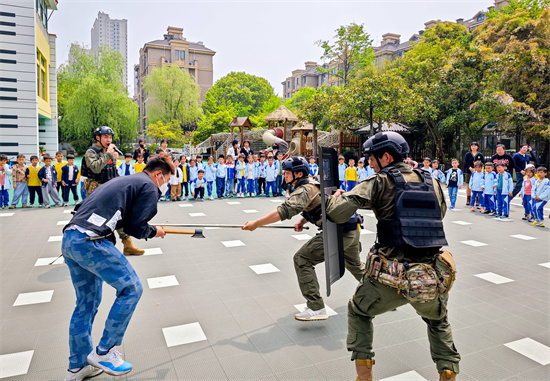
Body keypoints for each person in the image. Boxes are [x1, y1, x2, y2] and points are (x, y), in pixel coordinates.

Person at [325, 131, 460, 381]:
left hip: (387, 279)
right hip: (428, 278)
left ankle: (364, 377)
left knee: (359, 311)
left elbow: (337, 213)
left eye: (372, 159)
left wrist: (334, 199)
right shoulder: (432, 181)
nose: (370, 163)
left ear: (386, 156)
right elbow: (439, 214)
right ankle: (448, 372)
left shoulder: (379, 181)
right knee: (438, 320)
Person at [61, 157, 171, 381]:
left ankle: (77, 367)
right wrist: (153, 231)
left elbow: (120, 219)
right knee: (132, 288)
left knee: (85, 304)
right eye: (167, 178)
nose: (166, 184)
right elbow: (135, 226)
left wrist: (147, 228)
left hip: (70, 239)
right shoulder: (149, 186)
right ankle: (105, 351)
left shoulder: (126, 181)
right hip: (91, 241)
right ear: (159, 174)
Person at [243, 156, 364, 321]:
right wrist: (303, 219)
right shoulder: (312, 183)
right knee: (355, 265)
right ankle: (382, 293)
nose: (284, 175)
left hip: (339, 232)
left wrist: (256, 223)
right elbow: (321, 204)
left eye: (287, 172)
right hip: (351, 228)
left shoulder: (303, 189)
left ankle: (316, 307)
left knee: (302, 259)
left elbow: (284, 211)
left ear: (298, 173)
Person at [81, 126, 144, 256]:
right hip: (96, 191)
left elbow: (113, 172)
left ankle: (128, 245)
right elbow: (96, 168)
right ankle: (94, 248)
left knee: (119, 215)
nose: (108, 139)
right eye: (105, 137)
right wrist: (109, 153)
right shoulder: (91, 152)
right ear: (98, 138)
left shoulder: (108, 152)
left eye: (110, 137)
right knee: (97, 220)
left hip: (110, 189)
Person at [463, 142, 484, 206]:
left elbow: (482, 163)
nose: (473, 147)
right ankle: (468, 199)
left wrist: (476, 169)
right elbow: (465, 162)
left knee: (477, 185)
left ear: (477, 147)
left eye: (475, 145)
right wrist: (470, 168)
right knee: (468, 185)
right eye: (472, 145)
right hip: (469, 171)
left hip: (478, 172)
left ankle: (477, 200)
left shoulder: (480, 154)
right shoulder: (468, 154)